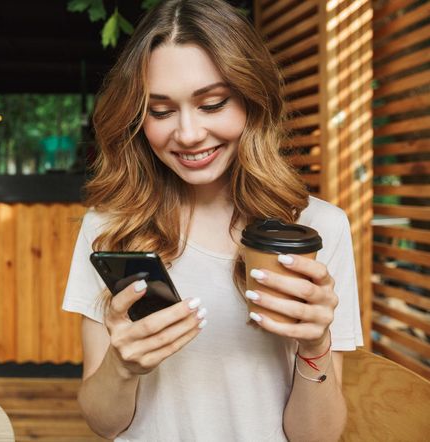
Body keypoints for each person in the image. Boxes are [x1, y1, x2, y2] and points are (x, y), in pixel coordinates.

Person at [62, 0, 363, 440]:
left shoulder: (318, 230)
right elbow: (102, 422)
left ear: (251, 99)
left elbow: (315, 437)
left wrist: (316, 346)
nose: (187, 134)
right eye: (161, 111)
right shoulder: (110, 227)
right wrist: (122, 367)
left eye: (213, 103)